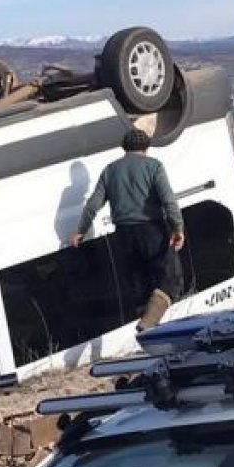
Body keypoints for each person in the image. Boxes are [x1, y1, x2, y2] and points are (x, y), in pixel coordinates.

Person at [71, 129, 184, 331]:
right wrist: (177, 228)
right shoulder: (154, 166)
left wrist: (81, 230)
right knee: (171, 279)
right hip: (151, 230)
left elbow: (92, 205)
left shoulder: (110, 170)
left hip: (123, 235)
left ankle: (146, 327)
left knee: (140, 285)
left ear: (124, 148)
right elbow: (169, 201)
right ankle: (149, 322)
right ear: (146, 147)